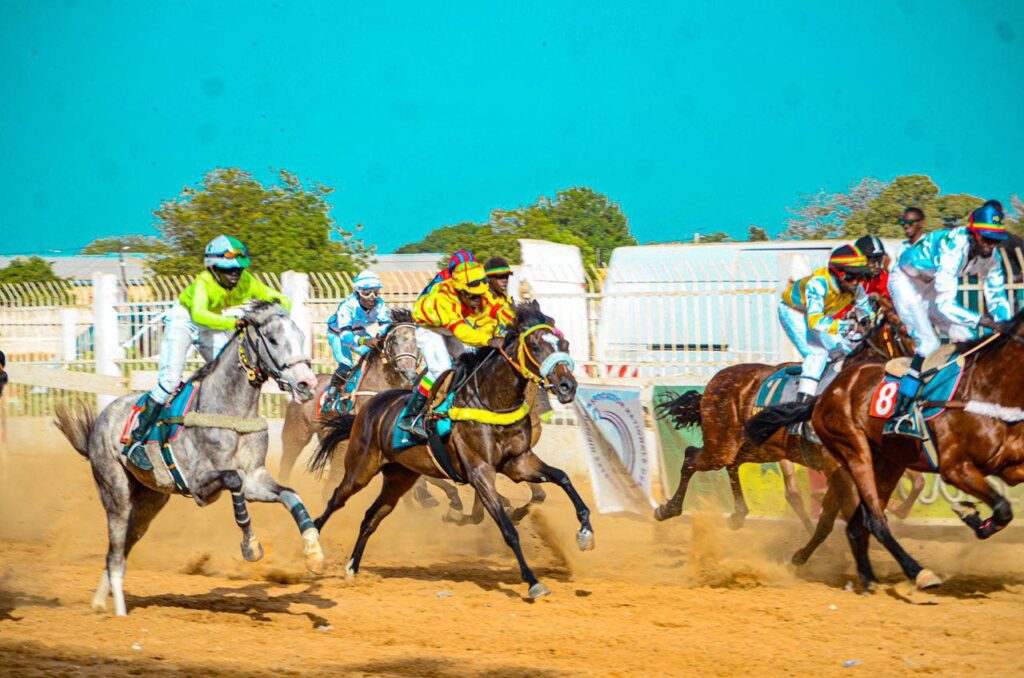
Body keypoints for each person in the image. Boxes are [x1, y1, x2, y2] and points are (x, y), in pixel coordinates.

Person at [124, 235, 291, 470]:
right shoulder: (204, 282)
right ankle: (135, 441)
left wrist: (274, 311)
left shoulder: (247, 282)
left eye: (238, 269)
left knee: (230, 374)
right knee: (170, 381)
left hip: (211, 323)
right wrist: (234, 322)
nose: (235, 275)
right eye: (227, 270)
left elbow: (282, 299)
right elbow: (199, 314)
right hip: (184, 320)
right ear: (213, 268)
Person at [890, 200, 1012, 418]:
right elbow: (945, 304)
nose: (990, 245)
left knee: (966, 337)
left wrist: (1005, 323)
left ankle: (952, 396)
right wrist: (986, 322)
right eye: (986, 238)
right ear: (973, 233)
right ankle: (900, 411)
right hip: (905, 282)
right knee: (929, 343)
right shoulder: (953, 246)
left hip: (930, 283)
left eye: (996, 240)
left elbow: (997, 294)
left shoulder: (993, 257)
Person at [399, 260, 503, 437]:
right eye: (473, 297)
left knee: (471, 361)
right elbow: (462, 332)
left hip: (449, 328)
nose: (478, 300)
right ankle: (410, 416)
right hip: (429, 328)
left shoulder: (478, 293)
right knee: (441, 369)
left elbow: (489, 319)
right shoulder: (444, 297)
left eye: (479, 296)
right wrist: (488, 340)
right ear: (460, 292)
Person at [779, 244, 874, 403]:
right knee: (818, 354)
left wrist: (869, 323)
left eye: (860, 277)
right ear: (837, 274)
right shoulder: (818, 283)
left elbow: (868, 312)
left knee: (844, 351)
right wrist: (848, 326)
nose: (856, 282)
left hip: (820, 315)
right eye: (851, 277)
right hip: (795, 312)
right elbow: (815, 322)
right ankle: (802, 404)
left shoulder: (856, 289)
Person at [321, 270, 390, 416]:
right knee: (346, 365)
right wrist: (364, 340)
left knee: (374, 356)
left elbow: (386, 324)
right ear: (358, 292)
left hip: (358, 331)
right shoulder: (347, 306)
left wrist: (380, 336)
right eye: (367, 293)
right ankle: (330, 399)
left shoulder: (380, 304)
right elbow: (346, 336)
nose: (372, 298)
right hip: (338, 334)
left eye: (375, 292)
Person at [483, 256, 516, 332]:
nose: (505, 280)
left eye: (506, 276)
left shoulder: (507, 300)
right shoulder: (480, 300)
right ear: (488, 279)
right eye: (500, 276)